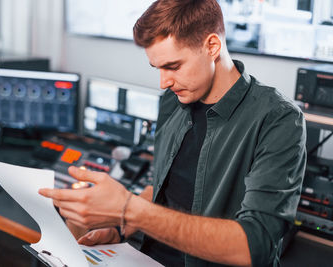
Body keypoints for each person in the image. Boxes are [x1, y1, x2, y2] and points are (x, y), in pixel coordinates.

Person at [39, 0, 307, 266]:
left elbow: (254, 245)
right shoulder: (172, 100)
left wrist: (130, 210)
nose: (164, 82)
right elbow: (165, 193)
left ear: (212, 46)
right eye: (158, 68)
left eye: (173, 66)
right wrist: (121, 229)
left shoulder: (278, 119)